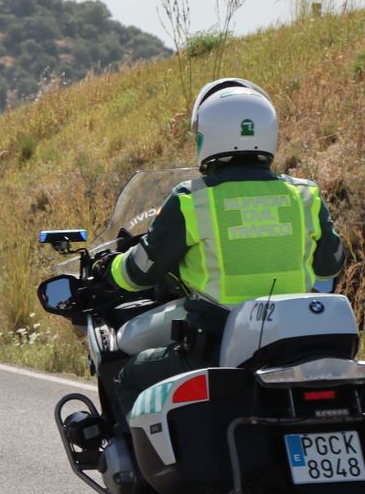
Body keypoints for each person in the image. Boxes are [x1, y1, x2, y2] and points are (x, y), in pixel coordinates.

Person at [93, 78, 345, 415]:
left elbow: (139, 273)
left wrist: (107, 269)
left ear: (207, 135)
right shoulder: (305, 195)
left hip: (215, 342)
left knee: (132, 376)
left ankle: (138, 469)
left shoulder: (193, 200)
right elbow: (330, 266)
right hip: (294, 343)